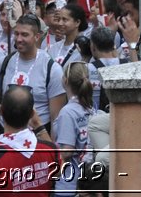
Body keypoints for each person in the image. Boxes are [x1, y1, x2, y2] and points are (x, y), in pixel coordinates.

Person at [0, 18, 64, 142]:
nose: (19, 39)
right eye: (16, 33)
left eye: (25, 35)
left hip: (38, 138)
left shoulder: (52, 69)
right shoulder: (3, 64)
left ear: (37, 37)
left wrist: (51, 149)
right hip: (6, 137)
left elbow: (56, 117)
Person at [0, 87, 58, 195]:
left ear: (0, 111)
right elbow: (60, 168)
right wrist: (38, 125)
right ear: (32, 114)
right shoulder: (49, 150)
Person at [50, 64, 92, 197]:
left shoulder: (67, 112)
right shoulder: (89, 106)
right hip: (84, 181)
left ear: (65, 80)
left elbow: (66, 152)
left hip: (68, 185)